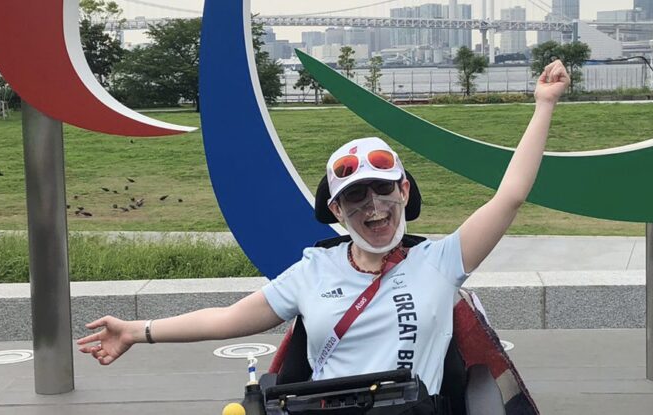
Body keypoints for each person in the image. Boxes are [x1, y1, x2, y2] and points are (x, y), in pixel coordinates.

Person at [77, 60, 570, 406]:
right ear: (336, 209)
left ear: (404, 192)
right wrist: (136, 332)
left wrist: (543, 106)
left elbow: (510, 196)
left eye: (382, 190)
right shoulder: (315, 270)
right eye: (356, 197)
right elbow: (228, 319)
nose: (373, 207)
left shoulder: (440, 262)